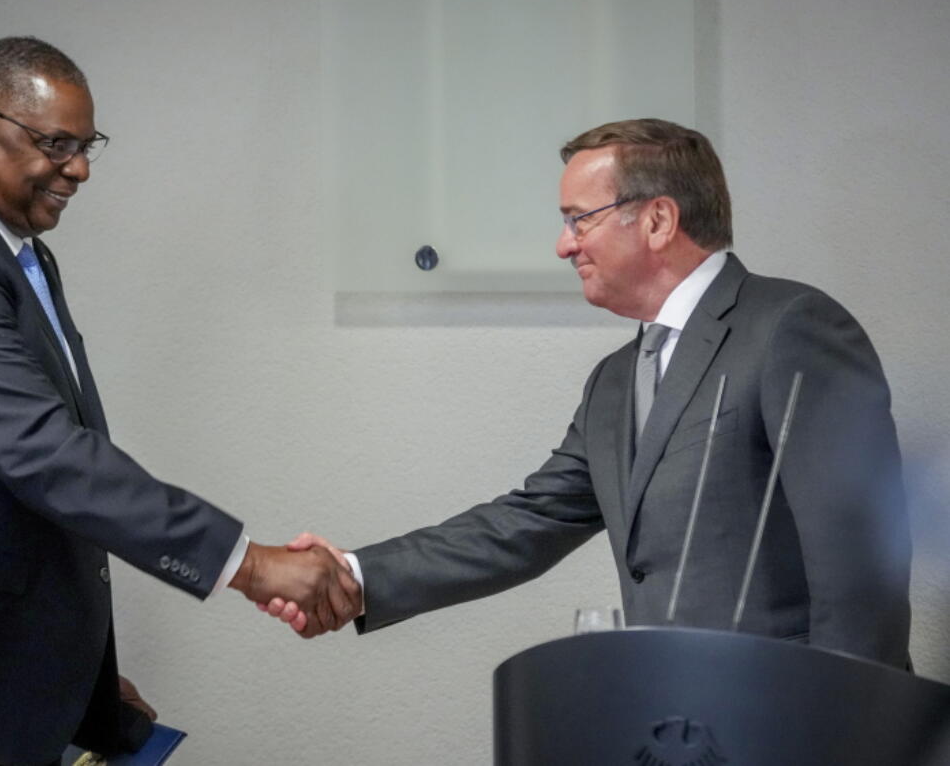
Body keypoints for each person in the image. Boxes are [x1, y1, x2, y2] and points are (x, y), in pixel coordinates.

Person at [0, 37, 358, 766]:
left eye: (85, 146)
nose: (77, 168)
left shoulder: (13, 248)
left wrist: (77, 677)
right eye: (55, 143)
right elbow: (46, 454)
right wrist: (252, 564)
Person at [264, 118, 912, 669]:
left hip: (798, 729)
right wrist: (353, 574)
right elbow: (526, 523)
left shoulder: (791, 328)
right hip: (674, 729)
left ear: (658, 219)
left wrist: (845, 736)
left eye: (579, 219)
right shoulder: (613, 381)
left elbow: (860, 571)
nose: (562, 244)